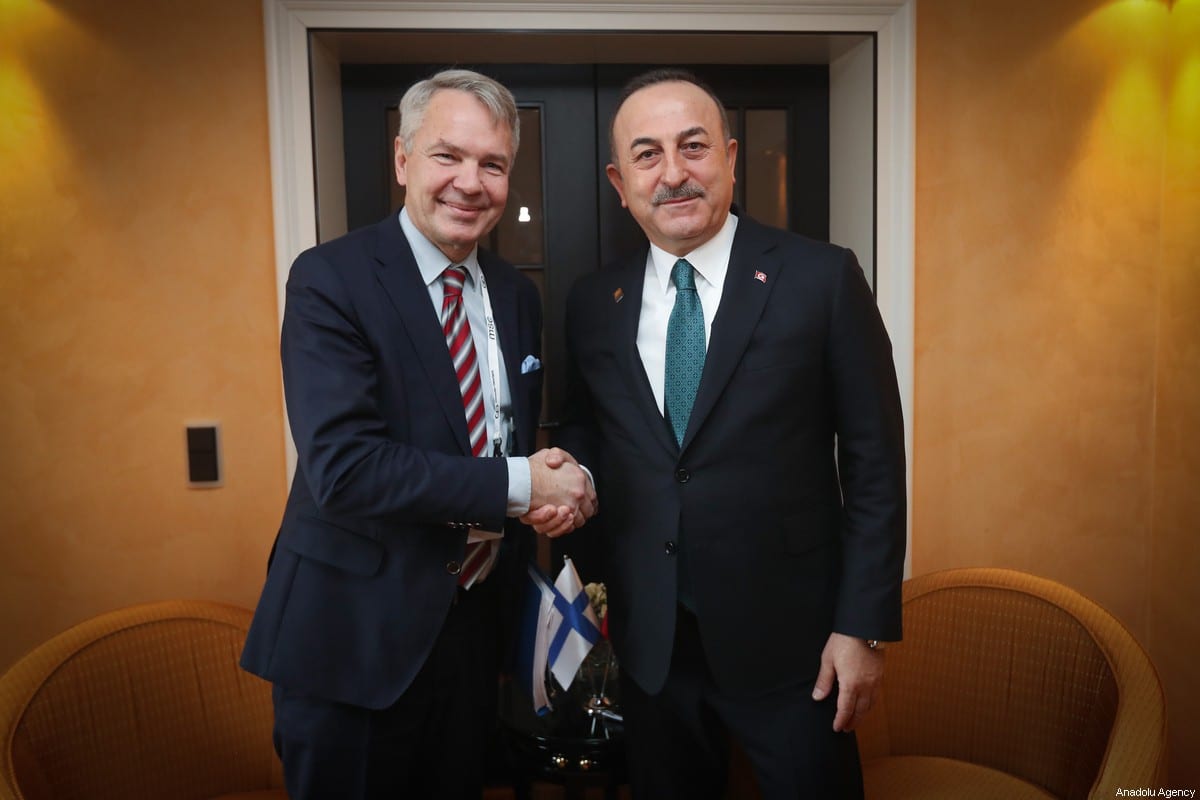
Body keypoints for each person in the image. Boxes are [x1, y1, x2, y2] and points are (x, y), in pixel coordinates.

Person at [546, 68, 907, 799]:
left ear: (732, 158)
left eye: (694, 147)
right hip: (653, 650)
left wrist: (861, 628)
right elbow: (591, 428)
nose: (674, 174)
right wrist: (573, 487)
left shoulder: (822, 279)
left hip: (796, 648)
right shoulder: (593, 302)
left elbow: (874, 464)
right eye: (647, 155)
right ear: (621, 183)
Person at [240, 69, 595, 799]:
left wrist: (548, 495)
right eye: (448, 156)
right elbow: (344, 468)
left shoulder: (515, 295)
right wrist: (525, 484)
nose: (471, 182)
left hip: (469, 636)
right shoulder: (330, 279)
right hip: (352, 641)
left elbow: (503, 445)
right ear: (403, 161)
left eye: (492, 164)